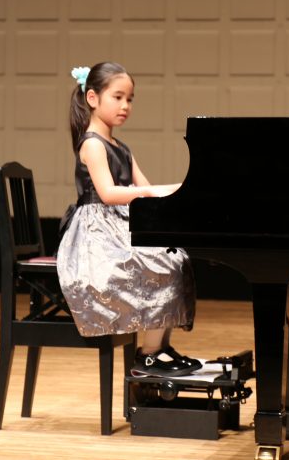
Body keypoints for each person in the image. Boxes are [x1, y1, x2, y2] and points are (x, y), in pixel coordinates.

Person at [56, 61, 200, 378]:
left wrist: (180, 190)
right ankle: (149, 354)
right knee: (160, 263)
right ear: (92, 98)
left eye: (130, 99)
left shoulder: (121, 147)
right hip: (95, 234)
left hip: (120, 227)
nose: (125, 106)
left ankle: (159, 348)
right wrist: (152, 191)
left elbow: (145, 188)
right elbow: (108, 193)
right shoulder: (92, 143)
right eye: (118, 97)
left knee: (175, 258)